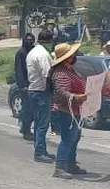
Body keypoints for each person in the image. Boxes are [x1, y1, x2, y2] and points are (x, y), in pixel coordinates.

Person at [49, 42, 89, 178]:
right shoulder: (61, 73)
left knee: (74, 138)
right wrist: (76, 97)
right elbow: (61, 92)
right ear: (68, 57)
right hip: (67, 111)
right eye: (73, 54)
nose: (76, 55)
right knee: (68, 139)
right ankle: (60, 167)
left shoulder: (69, 70)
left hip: (75, 109)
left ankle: (70, 163)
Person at [25, 29, 53, 162]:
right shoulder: (43, 54)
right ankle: (40, 151)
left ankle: (39, 148)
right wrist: (52, 91)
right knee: (43, 124)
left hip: (33, 90)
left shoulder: (32, 52)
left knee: (38, 123)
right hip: (41, 91)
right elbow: (47, 75)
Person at [14, 32, 36, 141]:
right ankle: (26, 131)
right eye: (27, 39)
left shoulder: (33, 51)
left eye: (31, 39)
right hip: (25, 86)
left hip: (33, 84)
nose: (29, 42)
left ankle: (24, 127)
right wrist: (22, 85)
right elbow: (19, 70)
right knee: (28, 109)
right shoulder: (21, 53)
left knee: (30, 109)